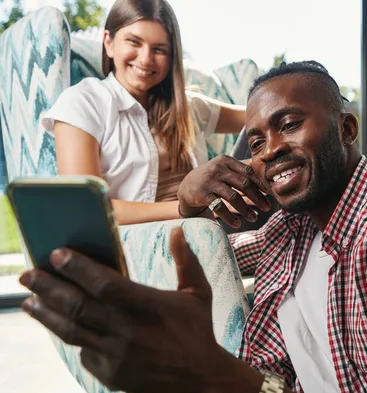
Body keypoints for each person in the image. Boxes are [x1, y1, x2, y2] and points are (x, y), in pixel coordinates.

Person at [20, 61, 367, 393]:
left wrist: (214, 377)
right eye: (257, 141)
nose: (271, 151)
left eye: (289, 125)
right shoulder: (290, 232)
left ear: (347, 129)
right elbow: (199, 256)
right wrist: (188, 206)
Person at [41, 0, 246, 226]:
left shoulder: (188, 107)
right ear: (108, 43)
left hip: (217, 229)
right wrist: (196, 208)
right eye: (133, 42)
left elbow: (255, 115)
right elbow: (87, 210)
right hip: (145, 243)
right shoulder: (82, 102)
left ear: (172, 57)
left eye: (159, 49)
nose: (146, 59)